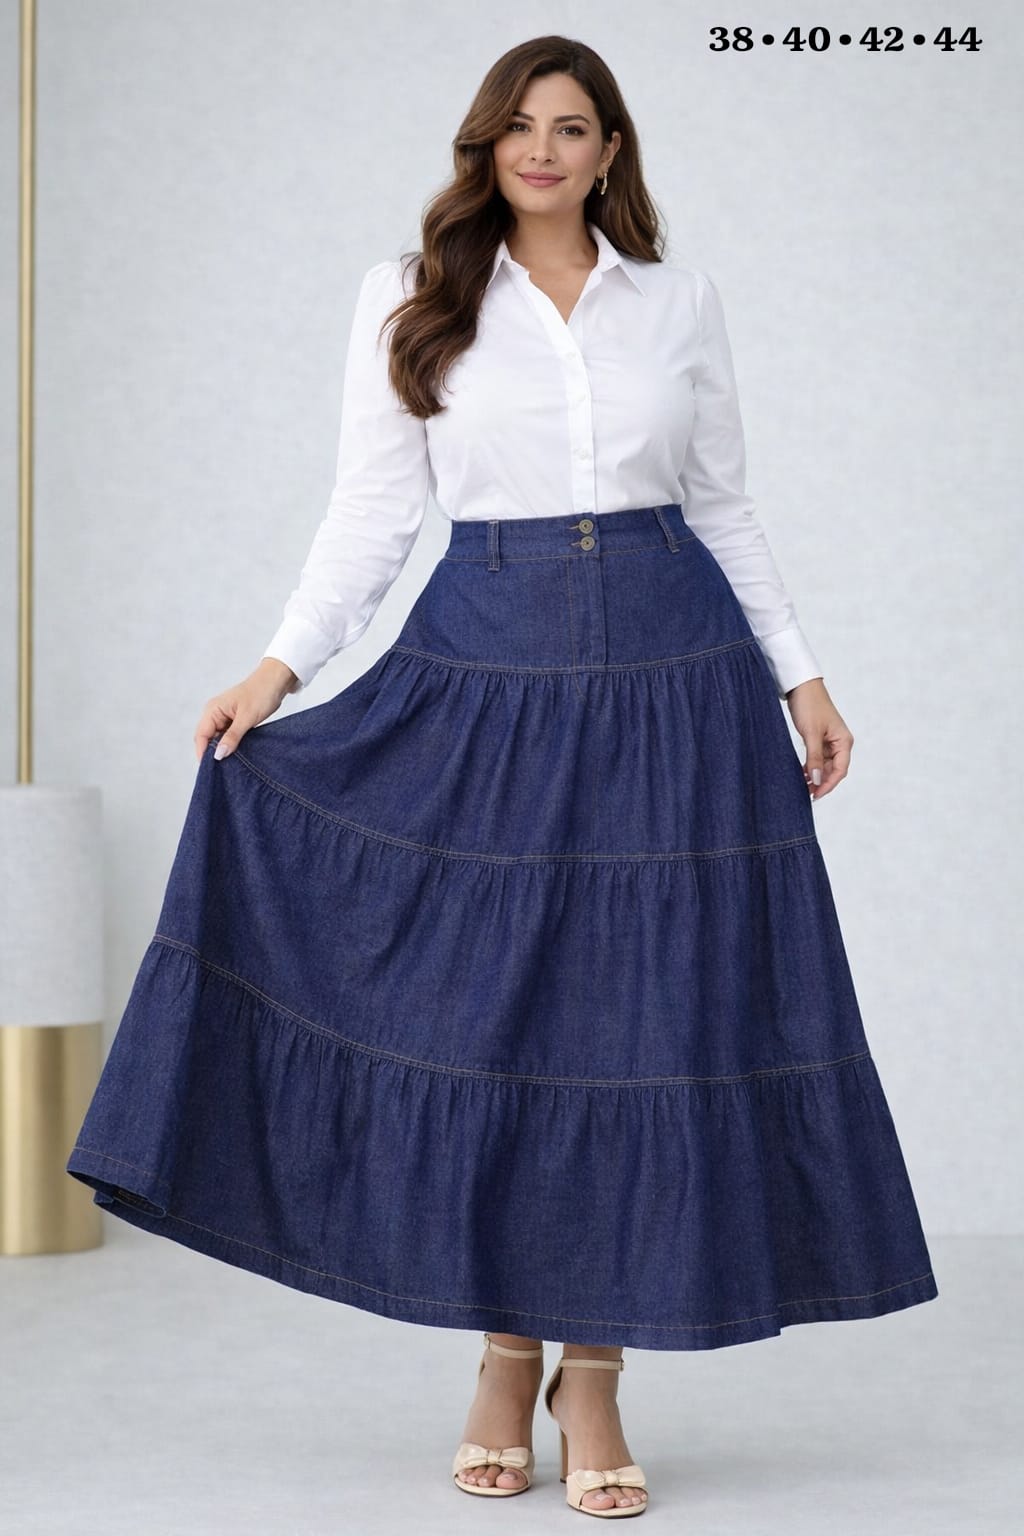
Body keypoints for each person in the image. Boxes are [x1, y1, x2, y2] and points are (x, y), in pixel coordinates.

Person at [66, 35, 938, 1521]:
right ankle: (502, 1351)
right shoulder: (411, 292)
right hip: (484, 675)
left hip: (675, 684)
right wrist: (277, 671)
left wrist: (802, 674)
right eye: (520, 125)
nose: (543, 148)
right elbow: (372, 514)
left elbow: (722, 504)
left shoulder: (676, 301)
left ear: (611, 151)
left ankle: (590, 1377)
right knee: (494, 1021)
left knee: (638, 1028)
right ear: (486, 143)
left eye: (573, 126)